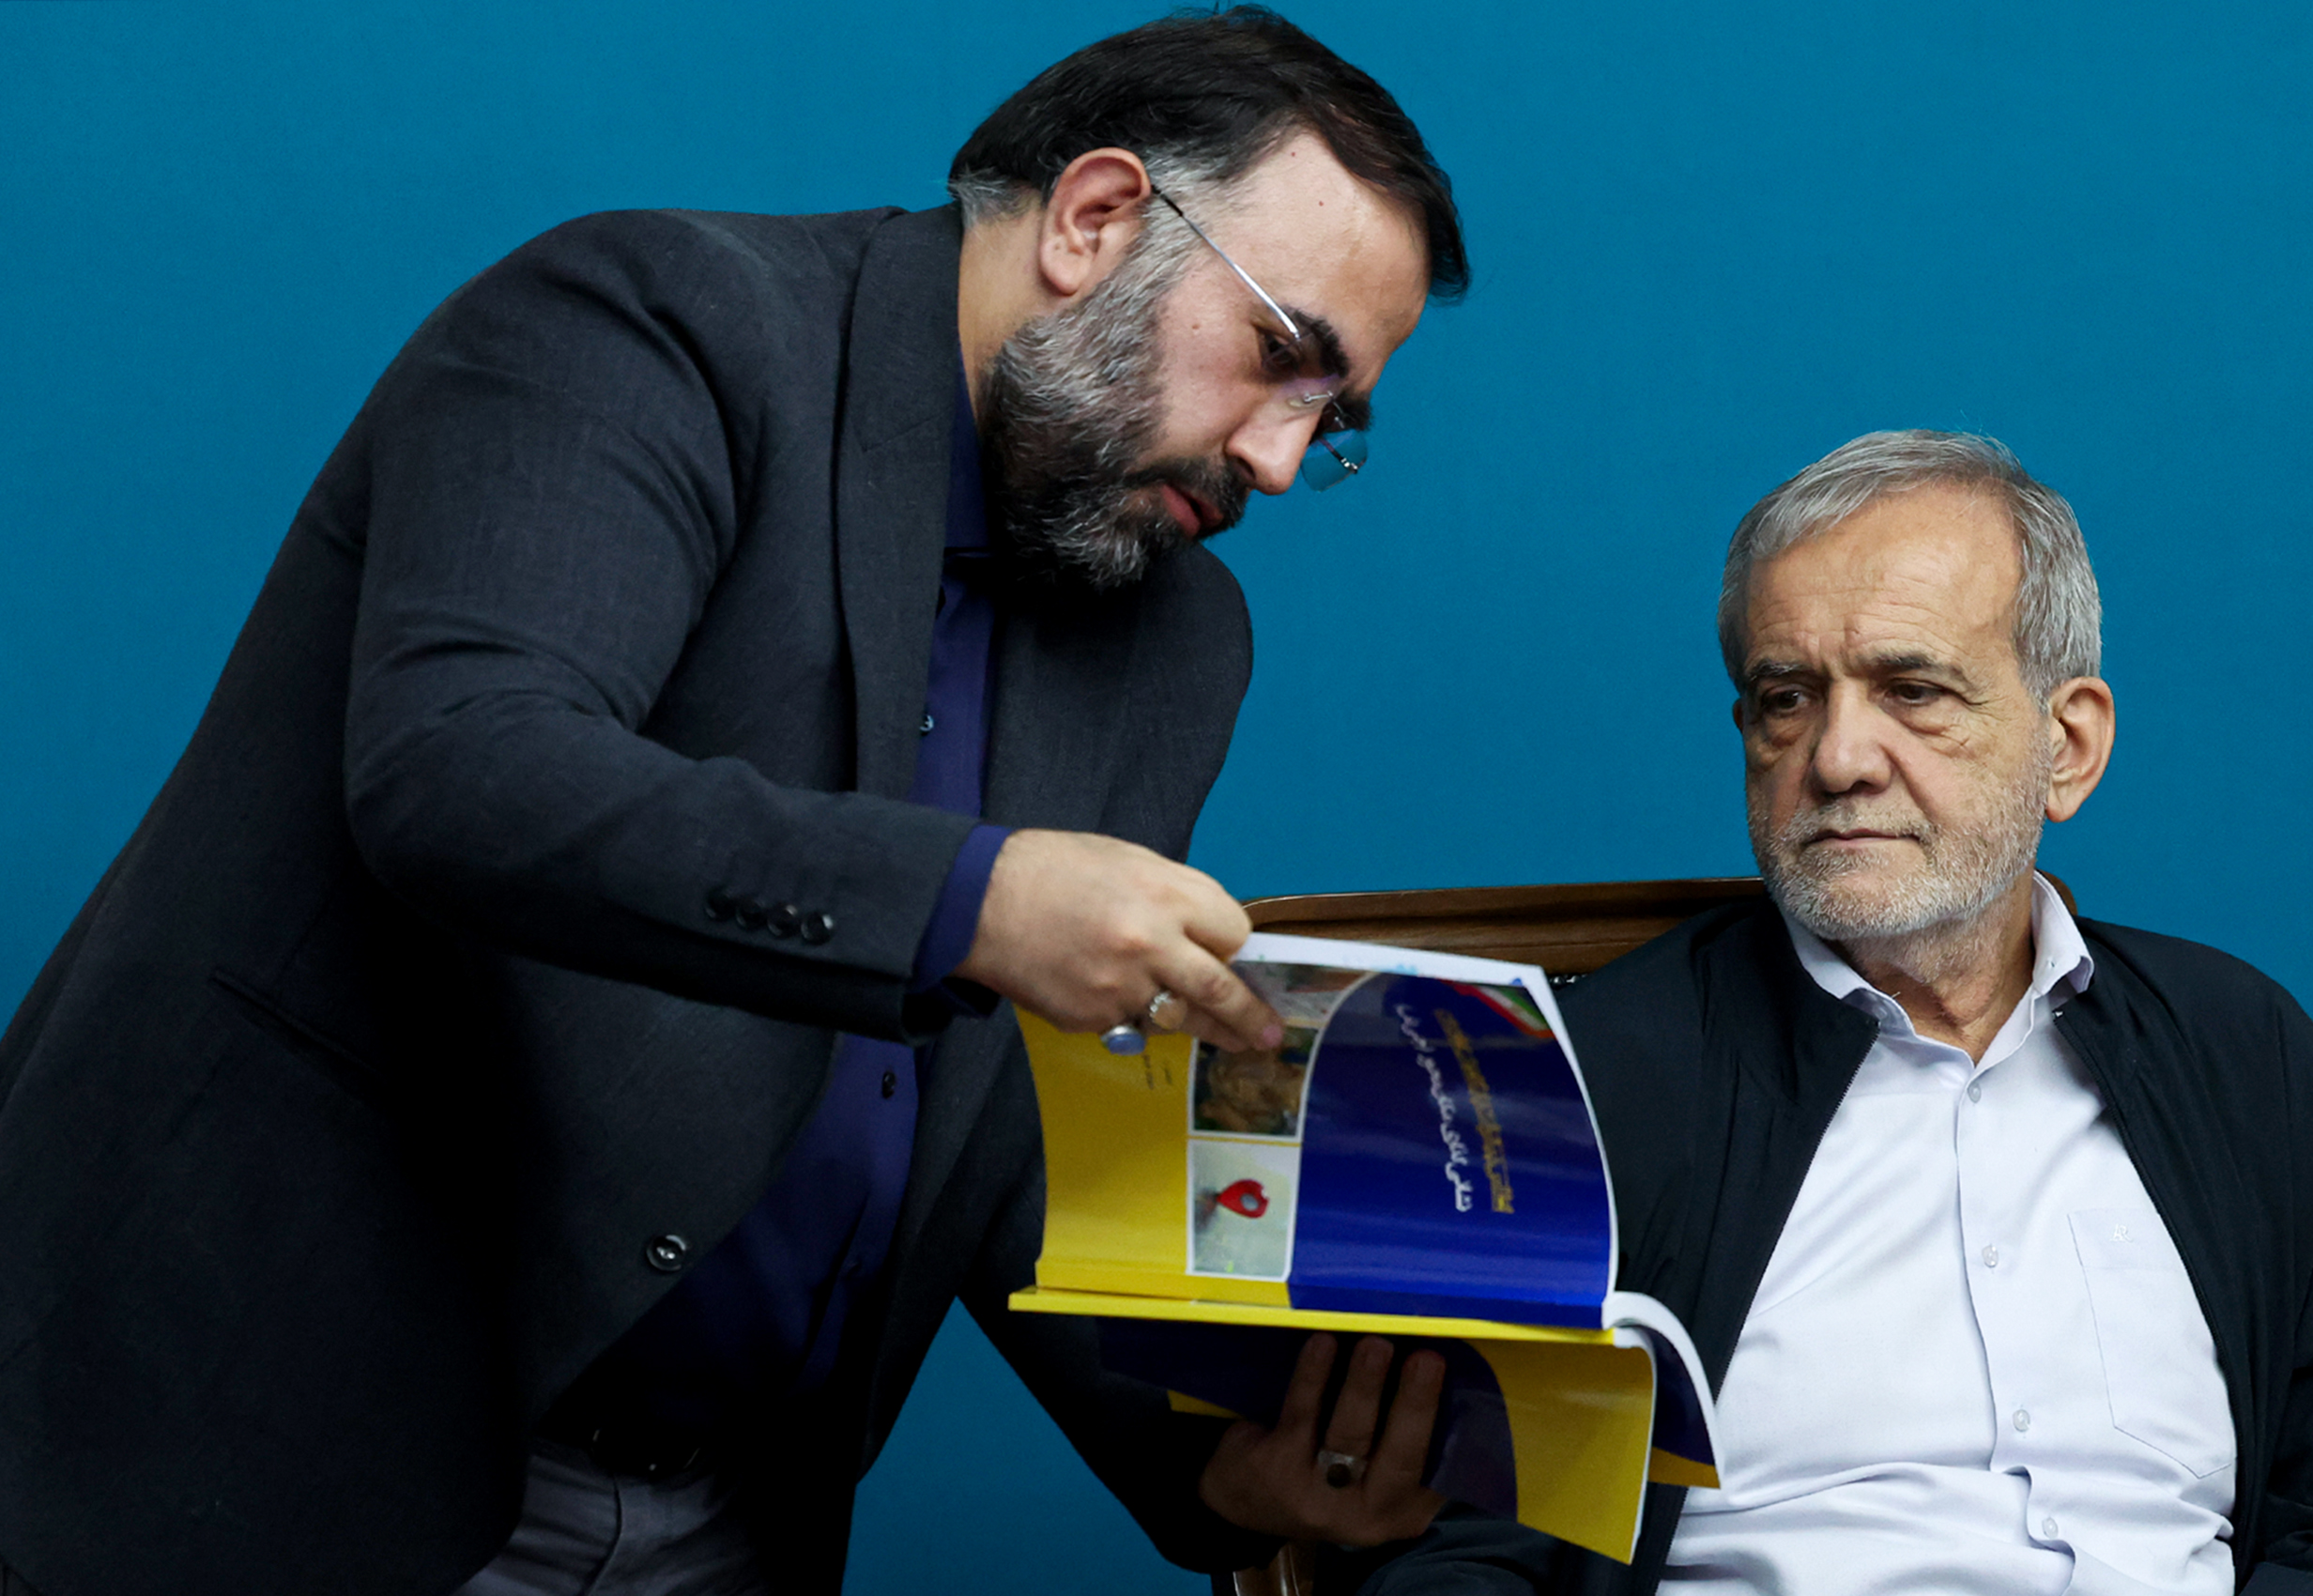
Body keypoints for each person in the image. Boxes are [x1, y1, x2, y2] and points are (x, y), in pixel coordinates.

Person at [0, 11, 1463, 1594]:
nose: (1278, 459)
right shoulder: (651, 323)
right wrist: (969, 901)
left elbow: (1007, 1123)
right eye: (1281, 356)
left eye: (1333, 420)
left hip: (725, 1525)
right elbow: (465, 768)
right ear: (1095, 219)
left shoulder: (1175, 636)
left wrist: (1203, 1463)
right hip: (253, 1449)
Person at [1336, 432, 2313, 1595]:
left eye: (1913, 690)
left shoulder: (2245, 1052)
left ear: (2067, 746)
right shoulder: (1583, 1082)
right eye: (1786, 699)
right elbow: (1458, 1560)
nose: (1838, 758)